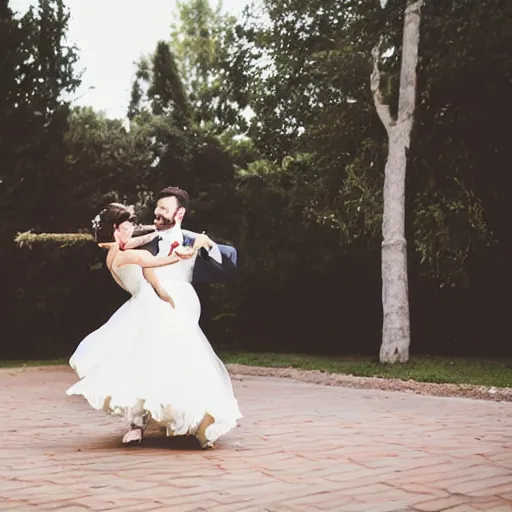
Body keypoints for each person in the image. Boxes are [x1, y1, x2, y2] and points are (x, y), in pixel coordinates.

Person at [67, 202, 242, 448]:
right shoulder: (125, 254)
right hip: (148, 309)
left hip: (148, 304)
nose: (134, 228)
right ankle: (190, 420)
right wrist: (186, 250)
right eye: (129, 225)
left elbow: (146, 256)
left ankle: (170, 420)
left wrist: (161, 290)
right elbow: (154, 263)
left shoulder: (118, 248)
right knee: (172, 360)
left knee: (152, 363)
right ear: (117, 229)